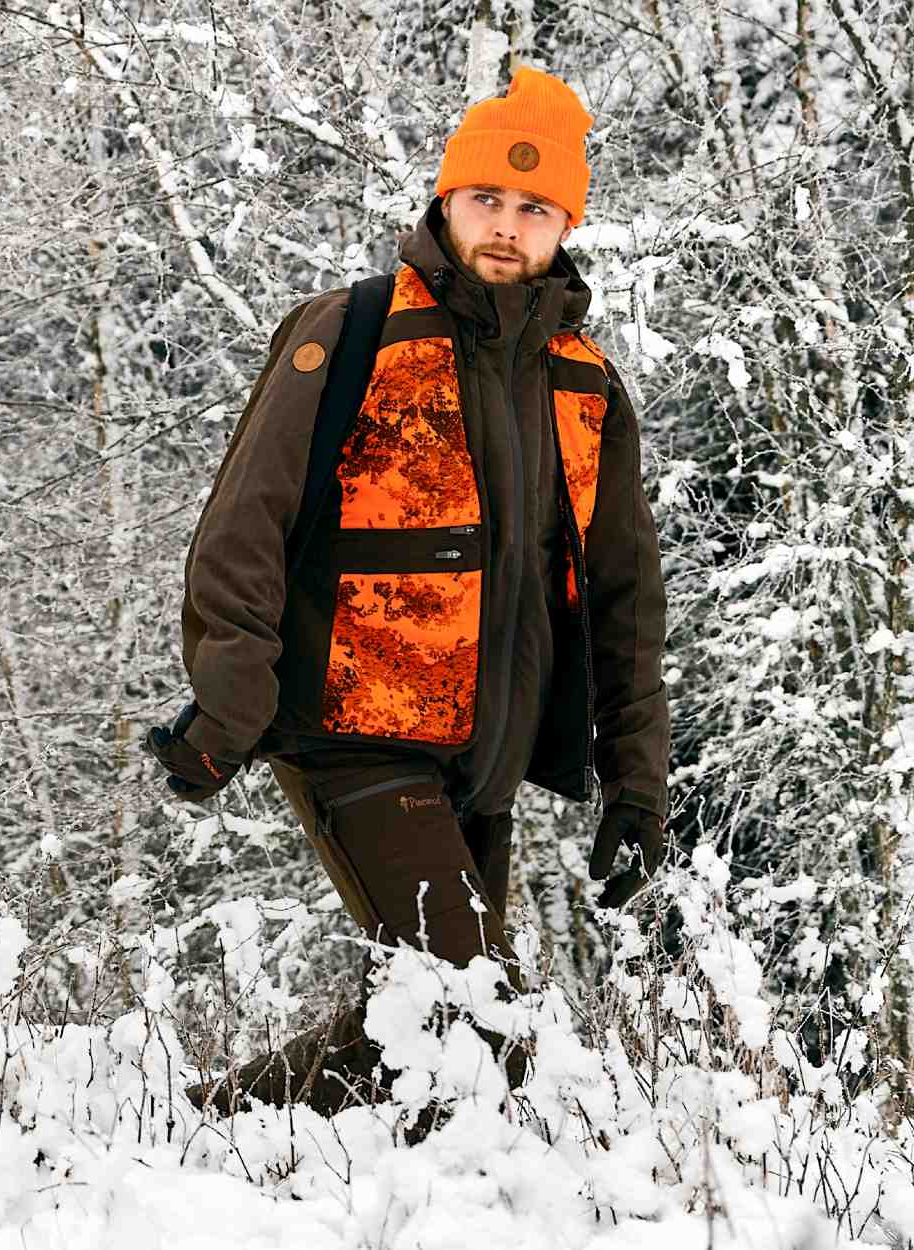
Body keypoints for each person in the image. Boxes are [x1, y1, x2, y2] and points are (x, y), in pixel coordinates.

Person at [145, 66, 670, 1118]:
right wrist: (230, 698)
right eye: (486, 198)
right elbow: (243, 522)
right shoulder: (351, 330)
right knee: (483, 1011)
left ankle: (213, 1132)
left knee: (424, 1016)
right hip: (347, 730)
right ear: (445, 199)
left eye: (535, 208)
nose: (505, 225)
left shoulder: (584, 384)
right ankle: (225, 1145)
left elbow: (623, 595)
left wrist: (637, 785)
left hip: (483, 752)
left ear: (565, 222)